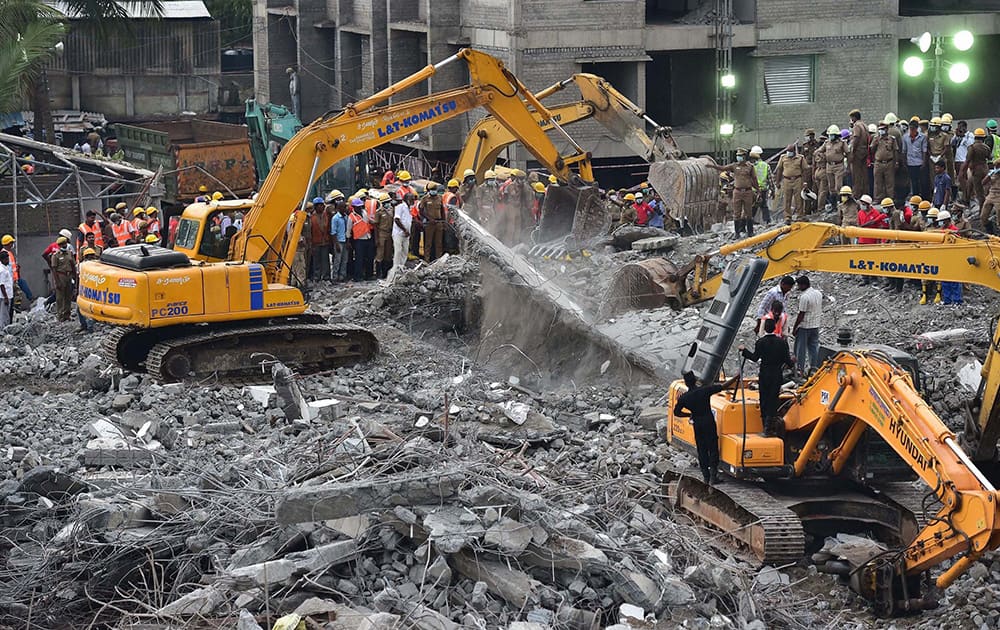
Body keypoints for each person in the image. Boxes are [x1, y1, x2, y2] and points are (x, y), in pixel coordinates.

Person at [673, 371, 739, 484]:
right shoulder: (704, 390)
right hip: (708, 421)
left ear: (686, 383)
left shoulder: (684, 398)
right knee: (713, 448)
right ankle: (714, 476)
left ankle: (706, 477)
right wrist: (736, 377)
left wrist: (689, 414)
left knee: (701, 449)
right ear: (695, 380)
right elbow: (724, 386)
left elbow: (677, 413)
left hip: (697, 424)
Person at [740, 318, 794, 436]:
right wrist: (793, 362)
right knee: (773, 399)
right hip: (776, 374)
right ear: (775, 328)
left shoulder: (761, 342)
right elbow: (788, 361)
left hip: (764, 374)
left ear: (765, 328)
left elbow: (754, 358)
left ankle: (764, 424)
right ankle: (771, 425)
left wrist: (744, 351)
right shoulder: (782, 343)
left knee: (764, 399)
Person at [709, 147, 759, 237]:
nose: (738, 157)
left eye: (740, 156)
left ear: (744, 156)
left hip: (748, 192)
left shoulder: (750, 167)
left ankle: (750, 232)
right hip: (737, 192)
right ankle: (737, 233)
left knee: (748, 213)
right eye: (737, 156)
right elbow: (723, 168)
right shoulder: (734, 166)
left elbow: (754, 179)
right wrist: (713, 166)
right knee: (737, 213)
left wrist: (758, 190)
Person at [792, 275, 822, 377]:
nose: (798, 288)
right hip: (815, 325)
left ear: (804, 285)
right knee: (813, 348)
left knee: (800, 350)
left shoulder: (804, 297)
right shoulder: (818, 293)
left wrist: (795, 327)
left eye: (799, 285)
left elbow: (801, 314)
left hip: (805, 326)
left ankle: (800, 370)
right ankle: (813, 369)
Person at [935, 210, 963, 304]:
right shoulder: (941, 231)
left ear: (947, 220)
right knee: (945, 280)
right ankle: (947, 300)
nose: (940, 223)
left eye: (942, 221)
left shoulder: (954, 230)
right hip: (943, 257)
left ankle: (957, 300)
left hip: (953, 257)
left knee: (954, 280)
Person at [775, 144, 806, 222]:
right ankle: (787, 216)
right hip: (786, 180)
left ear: (794, 152)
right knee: (786, 199)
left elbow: (805, 169)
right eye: (788, 151)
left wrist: (805, 182)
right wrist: (777, 182)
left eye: (790, 151)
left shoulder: (800, 158)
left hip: (797, 179)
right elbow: (779, 169)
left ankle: (800, 215)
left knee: (798, 198)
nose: (789, 153)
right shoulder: (783, 158)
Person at [388, 191, 414, 283]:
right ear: (407, 199)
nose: (413, 201)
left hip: (406, 235)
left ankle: (401, 269)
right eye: (412, 199)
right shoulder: (400, 207)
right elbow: (397, 219)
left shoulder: (408, 209)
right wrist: (404, 230)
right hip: (399, 233)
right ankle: (395, 271)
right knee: (398, 251)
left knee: (404, 252)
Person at [49, 237, 76, 322]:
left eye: (65, 243)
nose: (64, 245)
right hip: (60, 276)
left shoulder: (69, 253)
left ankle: (67, 314)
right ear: (59, 245)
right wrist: (57, 281)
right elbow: (54, 269)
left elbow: (73, 265)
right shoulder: (56, 255)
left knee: (68, 295)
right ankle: (60, 315)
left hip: (69, 276)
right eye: (62, 244)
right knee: (60, 297)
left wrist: (74, 276)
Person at [872, 121, 899, 202]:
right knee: (878, 182)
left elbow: (895, 151)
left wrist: (896, 162)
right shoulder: (876, 138)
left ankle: (890, 198)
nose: (881, 131)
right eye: (880, 129)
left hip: (889, 163)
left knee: (890, 182)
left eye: (883, 129)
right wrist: (875, 143)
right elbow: (872, 150)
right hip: (878, 163)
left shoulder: (892, 139)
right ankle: (878, 198)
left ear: (887, 130)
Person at [347, 197, 374, 281]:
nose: (359, 208)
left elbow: (369, 221)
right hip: (359, 240)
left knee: (369, 257)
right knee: (359, 259)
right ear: (354, 207)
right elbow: (348, 230)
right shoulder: (351, 217)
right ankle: (358, 276)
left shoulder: (364, 212)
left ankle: (369, 275)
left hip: (368, 237)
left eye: (360, 206)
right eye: (357, 206)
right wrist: (348, 241)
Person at [419, 182, 446, 262]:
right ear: (429, 190)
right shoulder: (425, 199)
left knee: (439, 243)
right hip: (429, 224)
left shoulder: (440, 198)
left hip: (439, 222)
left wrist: (443, 222)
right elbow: (421, 211)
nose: (433, 191)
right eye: (432, 190)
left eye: (435, 190)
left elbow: (442, 210)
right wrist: (429, 219)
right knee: (428, 243)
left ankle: (439, 260)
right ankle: (426, 260)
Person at [902, 119, 928, 197]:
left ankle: (923, 196)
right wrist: (904, 162)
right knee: (913, 181)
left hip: (919, 162)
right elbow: (904, 150)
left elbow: (924, 150)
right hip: (910, 162)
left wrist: (924, 162)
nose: (911, 130)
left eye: (913, 128)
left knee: (922, 181)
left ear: (917, 128)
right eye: (910, 128)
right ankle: (914, 195)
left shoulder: (922, 137)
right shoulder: (905, 137)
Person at [308, 198, 331, 281]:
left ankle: (326, 276)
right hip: (315, 242)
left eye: (322, 205)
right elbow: (310, 232)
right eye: (319, 206)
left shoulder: (326, 216)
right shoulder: (312, 218)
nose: (321, 207)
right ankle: (317, 276)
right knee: (316, 261)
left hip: (325, 241)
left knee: (325, 260)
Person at [848, 109, 870, 195]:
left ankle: (856, 194)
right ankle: (865, 192)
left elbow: (856, 138)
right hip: (864, 151)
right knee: (864, 174)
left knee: (856, 175)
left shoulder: (856, 126)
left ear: (854, 117)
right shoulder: (864, 125)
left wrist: (852, 151)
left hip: (858, 152)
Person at [749, 146, 773, 225]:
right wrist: (773, 189)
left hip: (752, 190)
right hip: (763, 189)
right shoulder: (766, 165)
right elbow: (770, 179)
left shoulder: (749, 166)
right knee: (763, 205)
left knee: (753, 206)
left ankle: (750, 221)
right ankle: (767, 221)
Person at [824, 126, 848, 204]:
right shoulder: (827, 143)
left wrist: (848, 164)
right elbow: (820, 150)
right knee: (831, 186)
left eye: (832, 135)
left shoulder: (842, 143)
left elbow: (848, 153)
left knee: (838, 186)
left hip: (839, 166)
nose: (830, 136)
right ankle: (833, 204)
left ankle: (839, 202)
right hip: (829, 166)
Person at [801, 128, 820, 213]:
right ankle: (807, 210)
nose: (807, 138)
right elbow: (802, 157)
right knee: (807, 189)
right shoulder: (804, 146)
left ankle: (815, 207)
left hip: (815, 168)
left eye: (808, 136)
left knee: (815, 189)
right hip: (807, 169)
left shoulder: (817, 145)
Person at [330, 202, 349, 281]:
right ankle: (335, 276)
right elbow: (333, 232)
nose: (345, 209)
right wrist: (336, 244)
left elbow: (348, 231)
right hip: (339, 241)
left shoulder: (346, 217)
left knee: (345, 260)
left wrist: (348, 241)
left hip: (345, 241)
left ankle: (342, 276)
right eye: (343, 207)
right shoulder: (335, 218)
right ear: (339, 208)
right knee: (337, 260)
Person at [981, 158, 1000, 235]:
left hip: (999, 196)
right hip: (991, 194)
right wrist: (989, 175)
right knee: (983, 217)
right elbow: (983, 182)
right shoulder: (993, 173)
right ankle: (990, 232)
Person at [0, 250, 12, 329]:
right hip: (5, 296)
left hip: (7, 295)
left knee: (5, 313)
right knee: (4, 315)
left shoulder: (5, 267)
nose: (8, 260)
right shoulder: (3, 270)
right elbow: (2, 285)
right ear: (2, 260)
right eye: (7, 259)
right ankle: (4, 330)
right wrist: (6, 297)